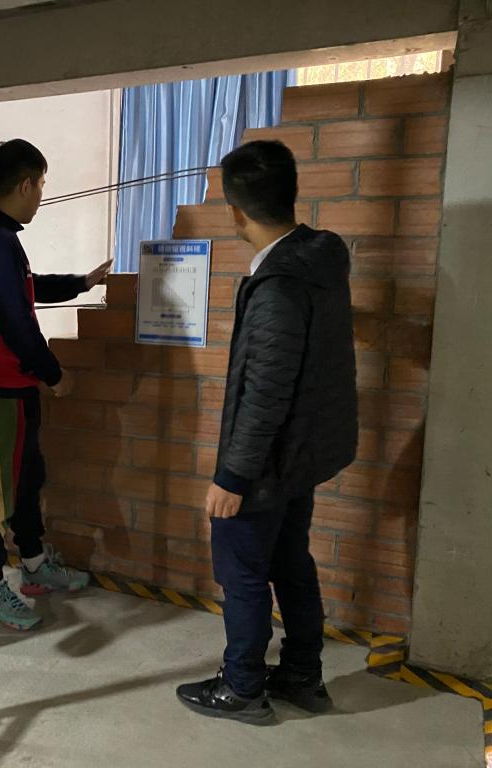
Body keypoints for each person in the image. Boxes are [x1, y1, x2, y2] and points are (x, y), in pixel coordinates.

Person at [176, 140, 357, 725]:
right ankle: (302, 674)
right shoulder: (318, 257)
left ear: (236, 211)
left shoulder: (278, 284)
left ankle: (243, 688)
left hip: (270, 459)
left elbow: (265, 391)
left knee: (243, 570)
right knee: (289, 560)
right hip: (303, 454)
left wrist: (233, 477)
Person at [0, 139, 111, 631]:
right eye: (41, 184)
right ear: (25, 185)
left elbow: (27, 286)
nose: (42, 194)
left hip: (12, 387)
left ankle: (34, 564)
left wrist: (81, 283)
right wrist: (54, 373)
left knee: (27, 477)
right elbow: (16, 323)